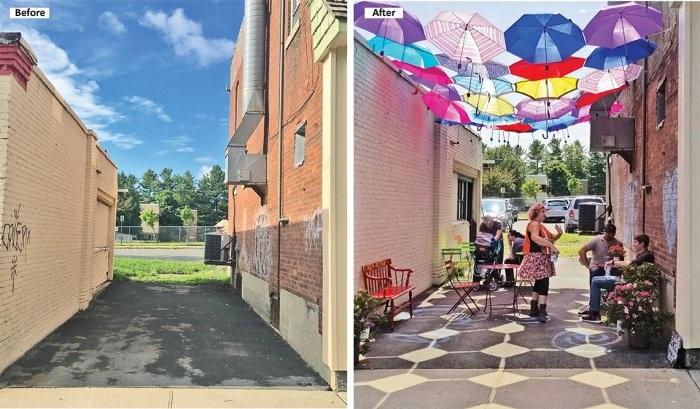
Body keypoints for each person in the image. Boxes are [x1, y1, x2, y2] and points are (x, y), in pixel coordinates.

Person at [582, 234, 655, 322]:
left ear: (642, 244)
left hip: (629, 283)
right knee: (595, 279)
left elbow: (631, 264)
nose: (633, 244)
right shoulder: (642, 255)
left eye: (635, 242)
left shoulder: (646, 255)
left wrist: (613, 262)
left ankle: (594, 313)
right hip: (628, 280)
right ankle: (593, 310)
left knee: (595, 282)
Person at [517, 203, 562, 323]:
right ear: (537, 213)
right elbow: (536, 238)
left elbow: (550, 239)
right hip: (537, 257)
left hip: (540, 257)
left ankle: (534, 309)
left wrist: (559, 234)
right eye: (543, 212)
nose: (545, 214)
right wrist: (552, 246)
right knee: (544, 282)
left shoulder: (539, 225)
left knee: (539, 282)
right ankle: (542, 311)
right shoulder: (534, 224)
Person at [577, 223, 623, 314]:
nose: (608, 235)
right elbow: (582, 250)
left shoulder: (618, 243)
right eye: (606, 233)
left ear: (614, 233)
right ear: (604, 232)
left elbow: (621, 260)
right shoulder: (597, 240)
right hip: (597, 266)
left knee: (616, 275)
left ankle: (612, 304)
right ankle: (592, 306)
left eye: (611, 233)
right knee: (594, 274)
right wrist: (588, 265)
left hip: (611, 267)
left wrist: (617, 258)